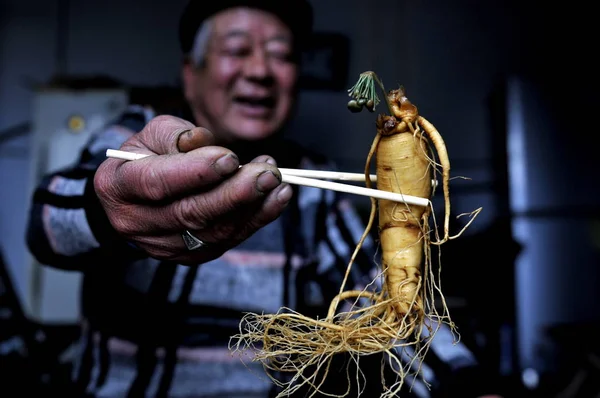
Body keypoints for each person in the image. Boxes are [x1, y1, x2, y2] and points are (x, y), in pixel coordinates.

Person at [25, 1, 505, 397]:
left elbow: (386, 302)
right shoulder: (134, 138)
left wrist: (466, 384)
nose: (261, 71)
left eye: (282, 55)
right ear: (191, 74)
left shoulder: (314, 187)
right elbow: (49, 221)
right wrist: (108, 208)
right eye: (238, 50)